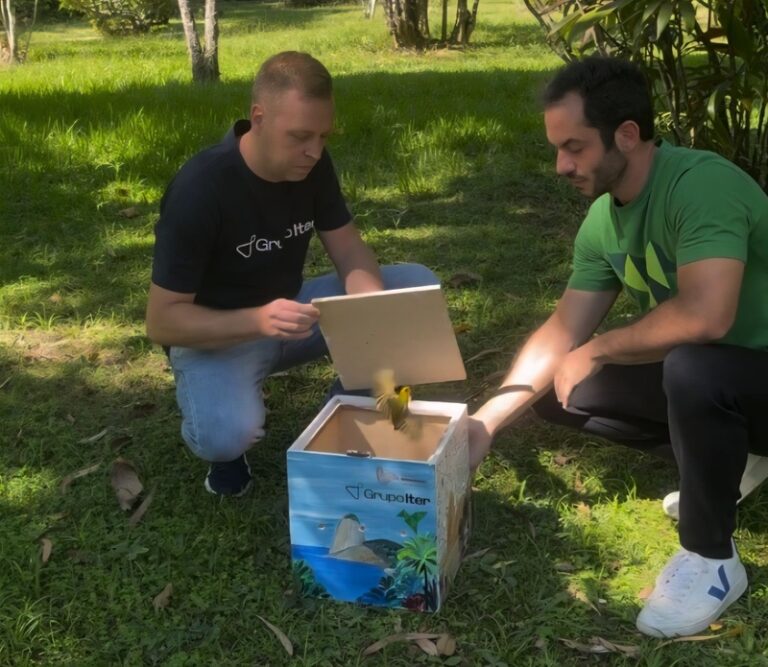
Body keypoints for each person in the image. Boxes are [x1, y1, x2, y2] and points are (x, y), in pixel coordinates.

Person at [468, 56, 768, 638]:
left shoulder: (699, 184)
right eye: (557, 148)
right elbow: (561, 330)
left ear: (627, 136)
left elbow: (707, 315)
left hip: (745, 372)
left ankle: (711, 560)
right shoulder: (603, 222)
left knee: (693, 369)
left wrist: (602, 347)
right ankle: (733, 457)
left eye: (574, 147)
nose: (561, 165)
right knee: (557, 389)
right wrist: (487, 421)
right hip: (735, 383)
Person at [146, 51, 436, 497]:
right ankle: (225, 454)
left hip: (293, 313)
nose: (314, 151)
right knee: (225, 433)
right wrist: (257, 321)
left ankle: (349, 421)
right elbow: (162, 321)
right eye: (300, 136)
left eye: (323, 136)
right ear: (258, 118)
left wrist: (373, 311)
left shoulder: (313, 165)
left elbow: (349, 249)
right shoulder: (200, 189)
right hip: (218, 334)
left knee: (411, 287)